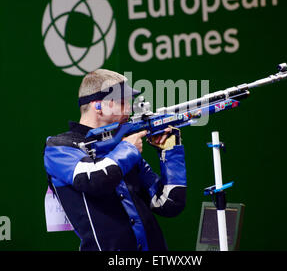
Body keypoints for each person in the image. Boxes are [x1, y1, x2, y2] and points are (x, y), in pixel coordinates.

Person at [43, 69, 187, 251]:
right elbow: (94, 179)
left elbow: (169, 204)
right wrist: (128, 149)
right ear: (98, 106)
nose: (128, 109)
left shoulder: (121, 147)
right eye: (120, 102)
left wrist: (170, 152)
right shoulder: (59, 147)